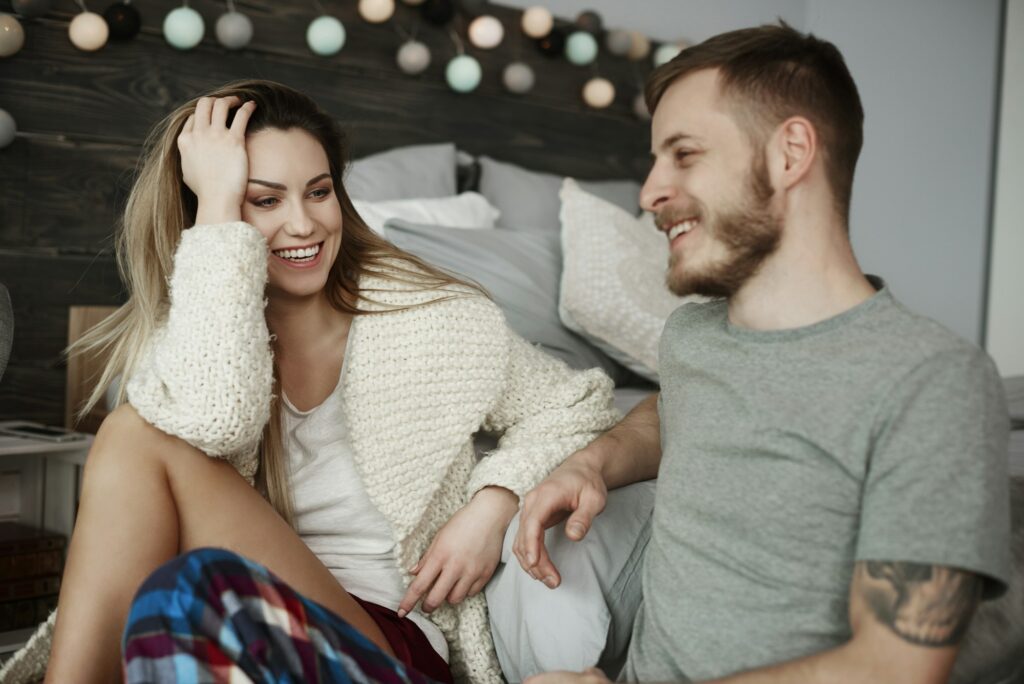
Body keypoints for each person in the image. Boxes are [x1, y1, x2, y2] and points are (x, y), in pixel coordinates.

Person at [0, 80, 618, 684]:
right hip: (221, 617)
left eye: (319, 192)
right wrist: (218, 210)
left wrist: (494, 503)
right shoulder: (194, 336)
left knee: (141, 452)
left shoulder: (435, 322)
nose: (303, 225)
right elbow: (216, 416)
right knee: (146, 460)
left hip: (380, 637)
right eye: (264, 200)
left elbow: (578, 404)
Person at [514, 22, 1011, 684]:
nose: (649, 192)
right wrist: (591, 464)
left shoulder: (932, 379)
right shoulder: (692, 337)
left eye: (684, 154)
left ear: (790, 153)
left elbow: (894, 667)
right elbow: (673, 414)